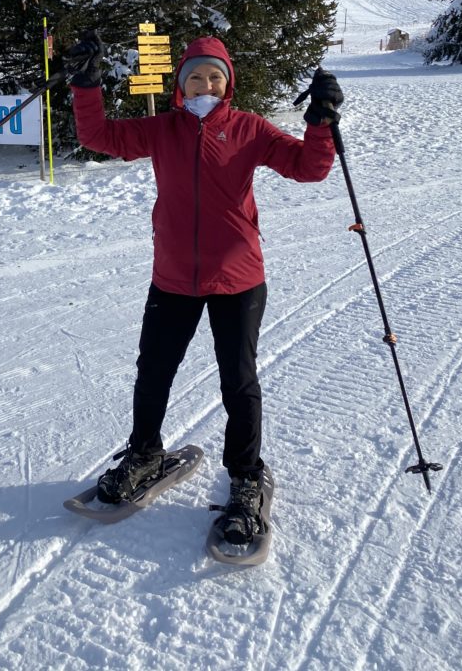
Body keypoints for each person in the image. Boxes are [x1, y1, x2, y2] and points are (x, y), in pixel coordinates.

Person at [65, 32, 343, 544]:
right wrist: (87, 84)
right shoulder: (163, 129)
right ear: (180, 84)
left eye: (215, 76)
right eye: (196, 75)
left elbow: (309, 168)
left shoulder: (248, 129)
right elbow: (99, 136)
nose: (206, 84)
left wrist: (319, 122)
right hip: (173, 276)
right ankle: (145, 453)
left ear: (228, 82)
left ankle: (245, 477)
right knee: (153, 371)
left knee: (238, 380)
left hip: (238, 278)